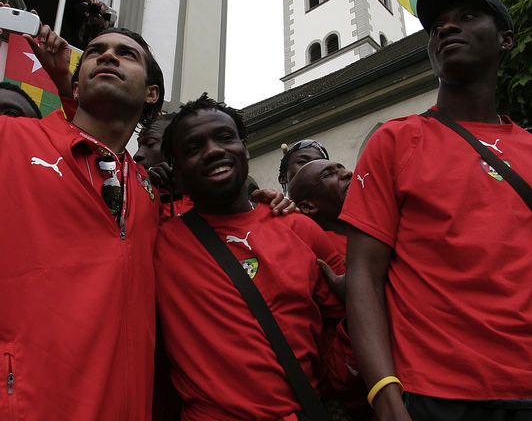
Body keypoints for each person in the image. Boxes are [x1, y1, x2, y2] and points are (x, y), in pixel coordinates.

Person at [340, 0, 532, 421]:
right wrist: (385, 394)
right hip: (437, 397)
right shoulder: (394, 141)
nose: (446, 28)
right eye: (436, 26)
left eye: (466, 17)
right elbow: (363, 277)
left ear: (505, 40)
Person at [154, 94, 355, 421]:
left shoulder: (299, 228)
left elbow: (342, 325)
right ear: (176, 170)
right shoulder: (157, 241)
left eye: (224, 137)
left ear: (245, 147)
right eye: (193, 148)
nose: (213, 150)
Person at [0, 25, 164, 421]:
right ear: (77, 82)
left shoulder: (150, 194)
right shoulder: (10, 139)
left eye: (126, 54)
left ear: (151, 93)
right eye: (94, 52)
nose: (107, 56)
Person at [288, 159, 353, 257]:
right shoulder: (329, 255)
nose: (348, 173)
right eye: (328, 174)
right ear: (308, 207)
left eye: (342, 168)